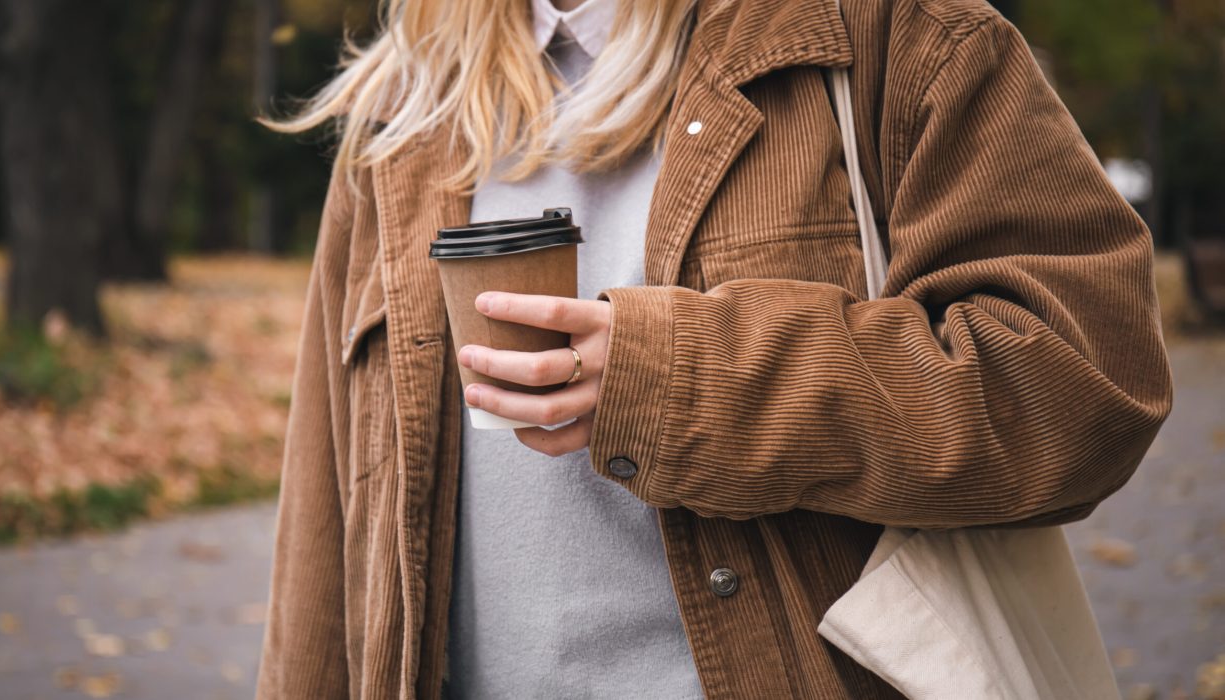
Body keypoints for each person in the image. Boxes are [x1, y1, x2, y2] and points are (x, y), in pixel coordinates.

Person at [254, 0, 1173, 697]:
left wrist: (680, 379)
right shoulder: (401, 110)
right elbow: (328, 525)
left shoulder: (889, 34)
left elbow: (1082, 383)